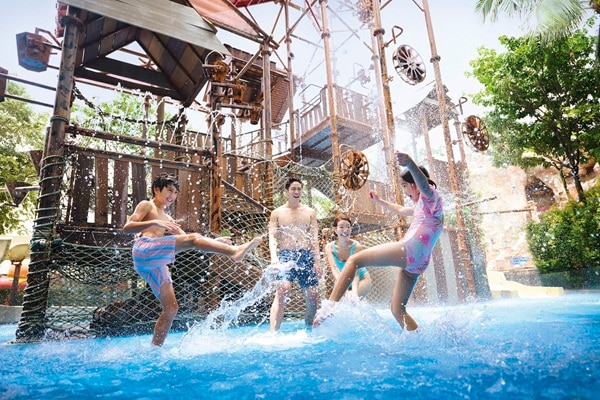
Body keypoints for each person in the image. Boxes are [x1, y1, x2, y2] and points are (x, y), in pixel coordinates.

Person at [123, 173, 262, 346]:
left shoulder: (168, 218)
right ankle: (234, 252)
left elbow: (189, 239)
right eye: (169, 190)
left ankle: (154, 349)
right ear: (157, 189)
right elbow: (127, 227)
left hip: (154, 263)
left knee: (171, 308)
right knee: (194, 239)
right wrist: (155, 223)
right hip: (144, 250)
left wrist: (215, 242)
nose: (172, 196)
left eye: (175, 193)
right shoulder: (146, 205)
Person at [314, 152, 443, 331]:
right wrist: (380, 201)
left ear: (414, 184)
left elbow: (423, 183)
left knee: (354, 260)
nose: (405, 191)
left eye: (405, 186)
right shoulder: (424, 205)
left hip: (410, 249)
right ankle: (419, 338)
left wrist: (409, 163)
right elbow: (401, 209)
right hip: (419, 261)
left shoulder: (431, 197)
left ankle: (330, 306)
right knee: (397, 309)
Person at [269, 177, 321, 332]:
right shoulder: (277, 213)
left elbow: (314, 238)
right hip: (286, 255)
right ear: (287, 191)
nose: (296, 191)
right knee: (282, 290)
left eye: (299, 189)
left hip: (306, 255)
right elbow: (272, 237)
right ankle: (273, 333)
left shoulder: (310, 212)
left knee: (313, 295)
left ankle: (309, 328)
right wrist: (274, 258)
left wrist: (317, 261)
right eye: (293, 188)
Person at [324, 214, 372, 300]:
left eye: (348, 227)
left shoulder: (357, 246)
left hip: (361, 279)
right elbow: (334, 269)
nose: (345, 230)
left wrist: (354, 293)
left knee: (352, 301)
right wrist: (343, 288)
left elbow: (356, 273)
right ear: (335, 229)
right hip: (342, 279)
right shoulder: (329, 247)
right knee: (336, 304)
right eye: (341, 227)